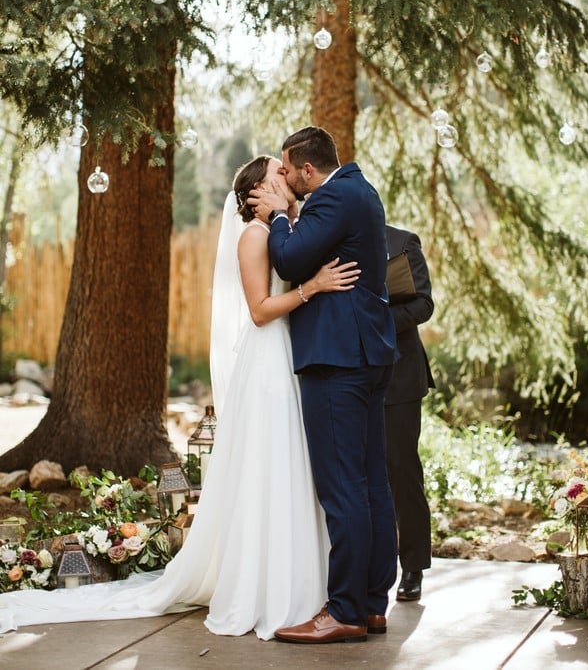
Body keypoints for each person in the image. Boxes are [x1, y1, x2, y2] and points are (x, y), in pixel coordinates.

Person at [0, 155, 359, 641]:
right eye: (278, 172)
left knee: (293, 470)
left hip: (290, 361)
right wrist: (313, 288)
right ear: (256, 190)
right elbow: (258, 311)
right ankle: (266, 589)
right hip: (268, 362)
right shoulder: (255, 236)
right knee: (272, 468)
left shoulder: (286, 229)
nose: (287, 177)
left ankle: (305, 585)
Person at [248, 126, 399, 644]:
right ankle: (374, 603)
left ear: (308, 171)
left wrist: (277, 217)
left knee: (344, 488)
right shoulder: (360, 190)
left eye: (287, 170)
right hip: (367, 355)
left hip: (338, 359)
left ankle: (346, 610)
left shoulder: (332, 197)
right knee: (371, 481)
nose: (283, 177)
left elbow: (289, 261)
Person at [385, 224, 435, 603]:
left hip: (399, 374)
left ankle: (413, 567)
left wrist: (377, 318)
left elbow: (423, 304)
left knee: (402, 469)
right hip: (349, 374)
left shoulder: (402, 242)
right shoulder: (330, 242)